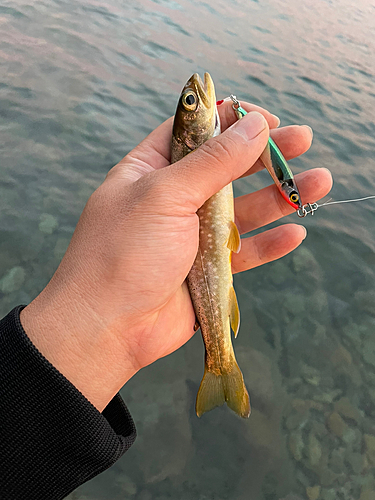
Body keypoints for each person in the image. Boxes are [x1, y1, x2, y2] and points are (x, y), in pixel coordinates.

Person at [0, 101, 332, 499]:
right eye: (192, 102)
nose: (197, 97)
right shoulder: (202, 146)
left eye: (191, 101)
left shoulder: (195, 141)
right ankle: (220, 363)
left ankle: (221, 364)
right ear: (194, 137)